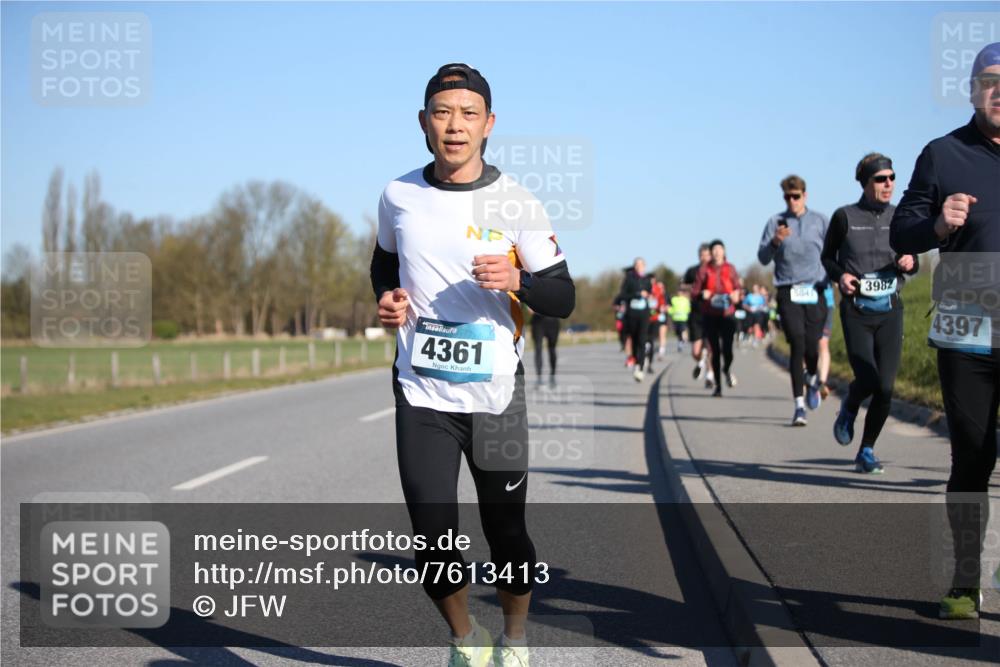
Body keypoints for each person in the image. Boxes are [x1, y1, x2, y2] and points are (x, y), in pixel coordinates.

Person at [372, 63, 575, 665]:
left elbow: (563, 297)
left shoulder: (516, 201)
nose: (454, 126)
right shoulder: (398, 195)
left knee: (505, 533)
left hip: (496, 398)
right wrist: (386, 298)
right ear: (423, 123)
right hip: (422, 392)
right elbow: (384, 263)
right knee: (433, 541)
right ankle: (465, 642)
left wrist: (519, 279)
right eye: (442, 113)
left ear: (488, 125)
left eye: (467, 114)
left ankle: (514, 640)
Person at [890, 43, 1000, 620]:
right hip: (968, 334)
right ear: (973, 90)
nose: (999, 91)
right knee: (974, 457)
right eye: (990, 80)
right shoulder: (943, 154)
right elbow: (901, 235)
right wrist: (936, 222)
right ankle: (964, 581)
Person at [822, 152, 918, 475]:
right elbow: (828, 258)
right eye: (881, 178)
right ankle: (851, 404)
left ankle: (866, 450)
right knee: (868, 378)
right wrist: (840, 276)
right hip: (857, 311)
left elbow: (913, 258)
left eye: (892, 177)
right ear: (865, 182)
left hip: (890, 310)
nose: (888, 184)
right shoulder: (844, 217)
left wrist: (910, 262)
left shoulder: (900, 217)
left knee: (887, 388)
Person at [757, 175, 830, 426]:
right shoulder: (775, 222)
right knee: (797, 341)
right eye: (787, 197)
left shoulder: (820, 221)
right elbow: (763, 258)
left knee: (812, 345)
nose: (792, 201)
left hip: (816, 289)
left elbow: (833, 253)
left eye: (796, 196)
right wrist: (776, 241)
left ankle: (811, 377)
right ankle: (799, 406)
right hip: (788, 289)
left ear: (805, 196)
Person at [693, 239, 741, 396]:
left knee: (728, 350)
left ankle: (726, 369)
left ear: (724, 252)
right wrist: (702, 294)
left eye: (720, 249)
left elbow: (739, 289)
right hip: (710, 314)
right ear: (711, 253)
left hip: (727, 314)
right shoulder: (704, 270)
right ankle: (718, 386)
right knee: (714, 350)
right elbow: (694, 293)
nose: (717, 252)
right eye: (714, 250)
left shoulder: (731, 269)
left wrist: (736, 295)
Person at [683, 244, 715, 388]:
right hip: (696, 314)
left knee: (710, 347)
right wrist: (694, 289)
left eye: (707, 255)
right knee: (695, 351)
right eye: (702, 255)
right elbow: (682, 287)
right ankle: (700, 362)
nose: (705, 258)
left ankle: (710, 375)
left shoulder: (715, 270)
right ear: (698, 256)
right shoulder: (691, 271)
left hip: (712, 312)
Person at [618, 257, 653, 381]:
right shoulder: (629, 279)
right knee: (634, 339)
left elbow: (650, 294)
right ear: (634, 267)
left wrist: (649, 296)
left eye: (641, 265)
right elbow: (622, 294)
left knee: (642, 340)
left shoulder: (648, 280)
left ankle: (640, 367)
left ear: (644, 266)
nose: (639, 267)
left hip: (644, 314)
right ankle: (635, 359)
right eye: (636, 265)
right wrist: (637, 294)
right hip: (631, 314)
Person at [530, 311, 560, 388]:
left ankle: (552, 376)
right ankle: (539, 378)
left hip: (552, 319)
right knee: (538, 349)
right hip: (538, 320)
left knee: (552, 349)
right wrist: (528, 306)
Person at [645, 276, 666, 372]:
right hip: (644, 318)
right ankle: (642, 358)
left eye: (653, 281)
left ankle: (650, 364)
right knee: (643, 340)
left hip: (655, 318)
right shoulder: (643, 289)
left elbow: (661, 300)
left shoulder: (658, 289)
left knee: (651, 340)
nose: (651, 283)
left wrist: (661, 307)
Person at [669, 287, 692, 353]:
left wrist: (688, 315)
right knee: (678, 333)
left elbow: (688, 309)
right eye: (679, 292)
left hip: (683, 318)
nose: (679, 293)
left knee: (682, 330)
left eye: (681, 292)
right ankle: (680, 344)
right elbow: (671, 308)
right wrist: (669, 311)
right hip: (675, 318)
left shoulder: (686, 300)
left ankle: (684, 338)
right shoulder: (674, 299)